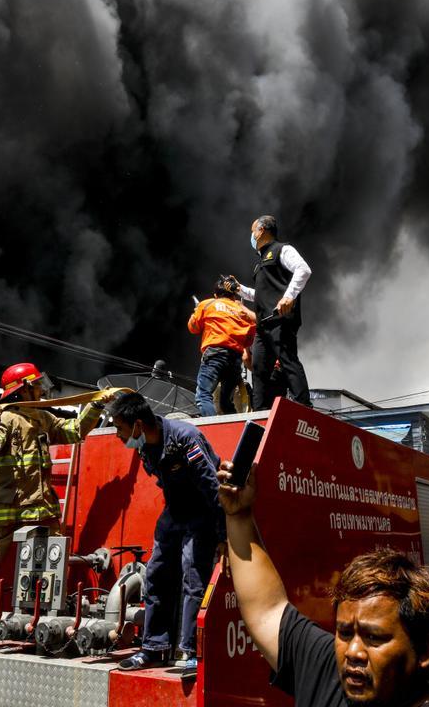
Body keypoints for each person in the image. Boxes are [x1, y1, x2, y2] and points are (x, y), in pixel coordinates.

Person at [215, 459, 429, 707]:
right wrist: (238, 515)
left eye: (374, 637)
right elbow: (266, 611)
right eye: (344, 633)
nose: (353, 652)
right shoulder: (327, 668)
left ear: (425, 649)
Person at [0, 362, 113, 617]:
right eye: (37, 385)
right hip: (6, 508)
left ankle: (42, 616)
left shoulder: (41, 416)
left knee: (52, 561)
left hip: (38, 507)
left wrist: (96, 405)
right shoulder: (3, 417)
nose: (41, 389)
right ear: (24, 389)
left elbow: (74, 431)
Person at [106, 392, 226, 672]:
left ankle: (191, 652)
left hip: (202, 512)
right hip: (174, 511)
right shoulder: (144, 446)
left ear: (138, 425)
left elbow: (212, 489)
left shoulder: (186, 439)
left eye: (120, 429)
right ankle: (153, 648)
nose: (117, 435)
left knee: (193, 576)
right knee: (156, 574)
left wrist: (222, 536)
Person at [226, 214, 312, 409]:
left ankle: (305, 407)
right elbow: (262, 294)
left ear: (262, 230)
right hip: (263, 325)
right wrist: (238, 289)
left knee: (288, 360)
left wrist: (289, 296)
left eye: (252, 231)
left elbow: (303, 269)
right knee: (259, 369)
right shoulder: (260, 262)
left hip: (280, 320)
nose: (251, 236)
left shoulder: (282, 250)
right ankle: (260, 414)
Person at [188, 275, 257, 417]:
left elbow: (193, 327)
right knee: (225, 403)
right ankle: (233, 431)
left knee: (203, 396)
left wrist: (195, 313)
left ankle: (213, 431)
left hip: (214, 355)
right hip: (235, 360)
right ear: (233, 295)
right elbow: (249, 340)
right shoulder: (242, 310)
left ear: (215, 295)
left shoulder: (207, 304)